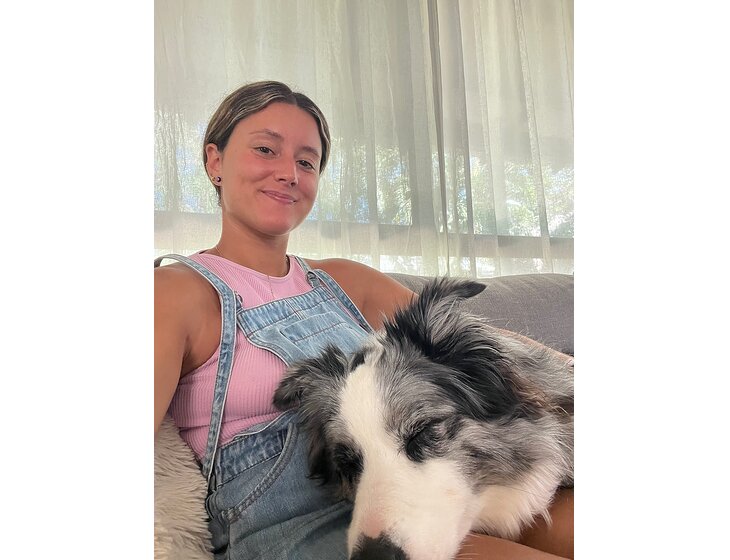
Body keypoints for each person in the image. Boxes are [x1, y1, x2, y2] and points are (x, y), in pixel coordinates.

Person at [155, 80, 573, 560]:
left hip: (425, 489)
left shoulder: (344, 279)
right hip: (295, 526)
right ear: (215, 161)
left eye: (306, 162)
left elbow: (473, 338)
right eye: (266, 149)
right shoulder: (172, 291)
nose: (288, 173)